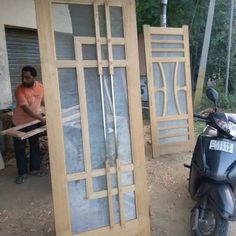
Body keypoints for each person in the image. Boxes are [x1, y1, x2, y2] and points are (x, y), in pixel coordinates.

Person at [12, 66, 46, 184]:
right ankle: (22, 173)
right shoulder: (19, 90)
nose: (24, 80)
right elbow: (25, 109)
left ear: (34, 77)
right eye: (22, 77)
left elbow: (43, 101)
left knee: (34, 145)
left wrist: (50, 112)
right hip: (19, 123)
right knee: (20, 148)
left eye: (27, 77)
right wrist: (41, 119)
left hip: (32, 122)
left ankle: (35, 168)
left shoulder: (40, 87)